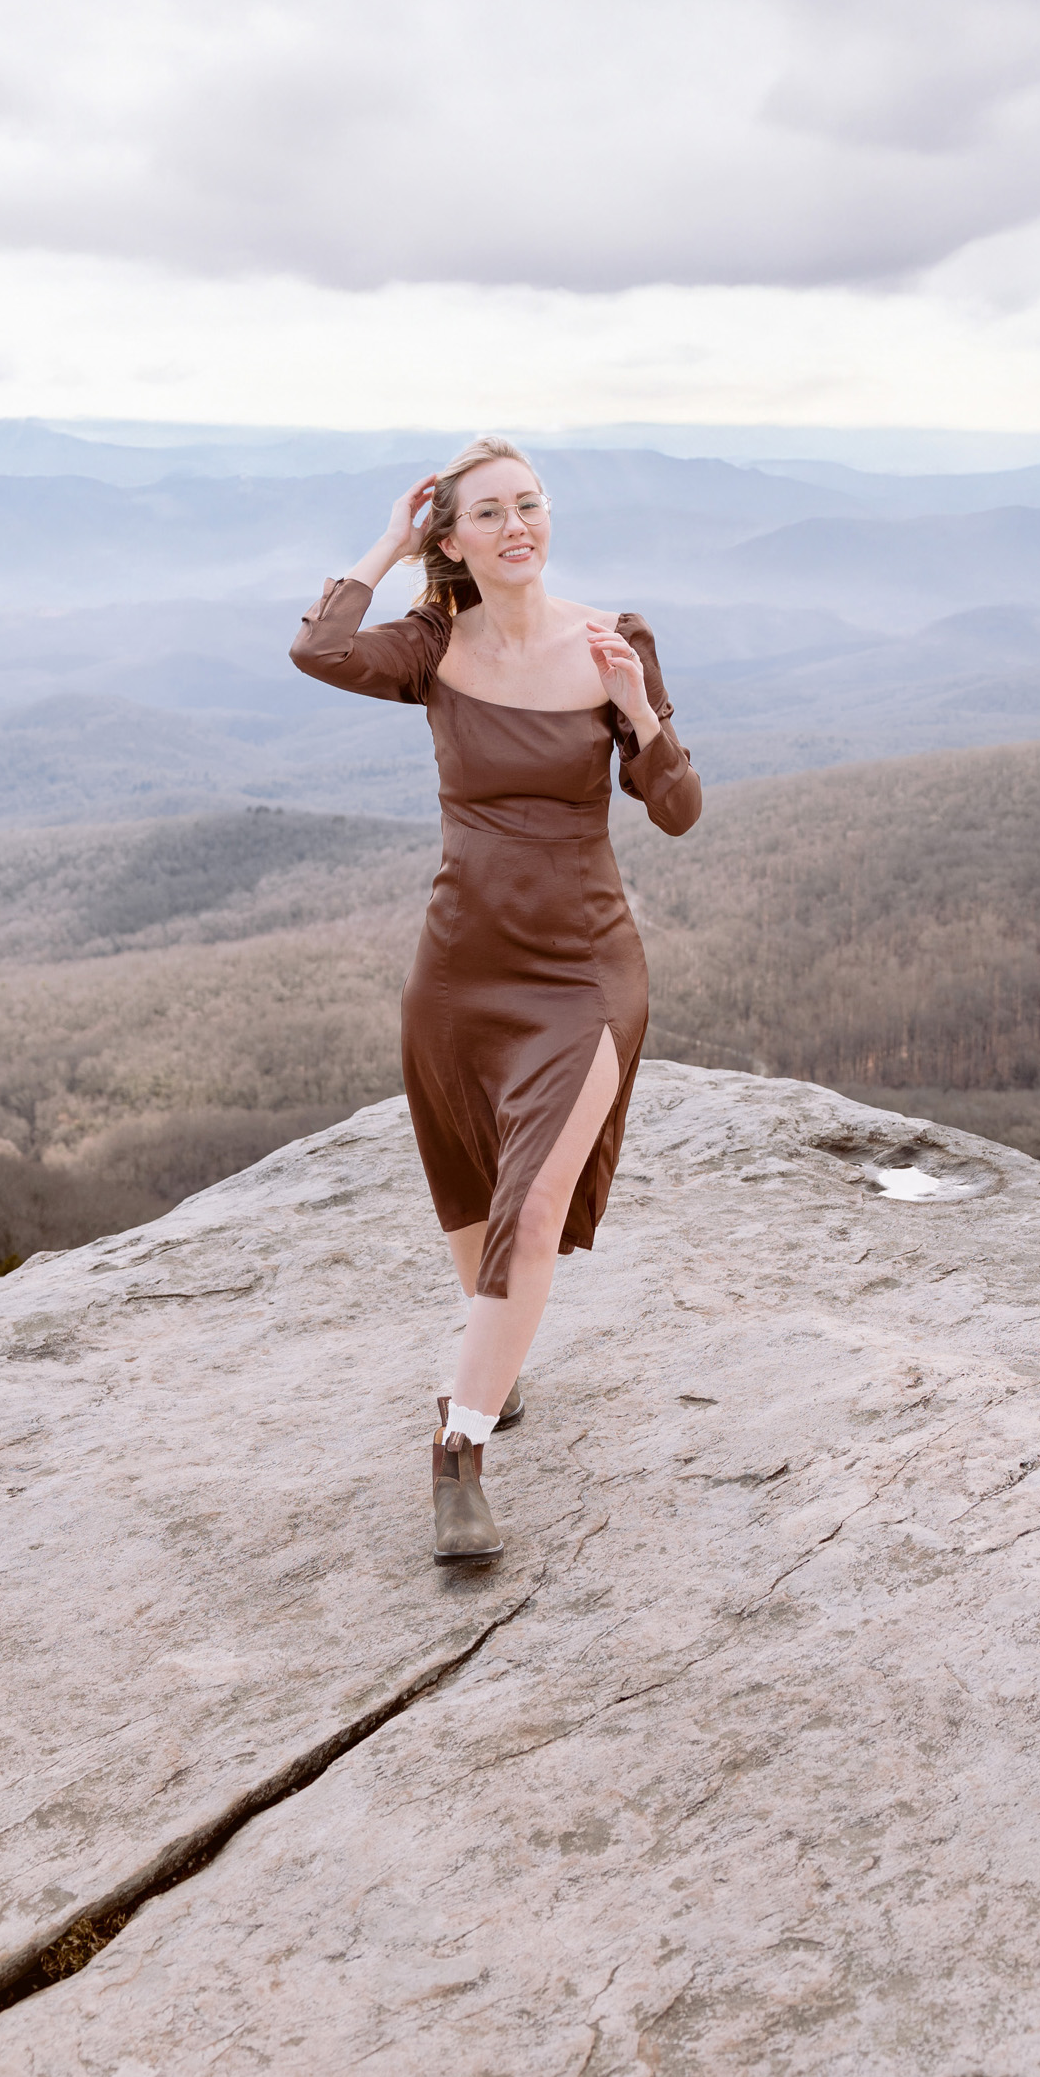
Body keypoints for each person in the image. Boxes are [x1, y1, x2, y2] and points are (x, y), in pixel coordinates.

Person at [290, 435, 702, 1564]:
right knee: (477, 1224)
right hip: (457, 975)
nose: (518, 525)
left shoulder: (614, 640)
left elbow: (676, 810)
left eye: (531, 504)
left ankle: (458, 1445)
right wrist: (384, 540)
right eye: (489, 513)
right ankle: (496, 1368)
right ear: (453, 540)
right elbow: (316, 649)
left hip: (581, 975)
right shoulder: (432, 644)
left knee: (527, 1216)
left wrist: (636, 709)